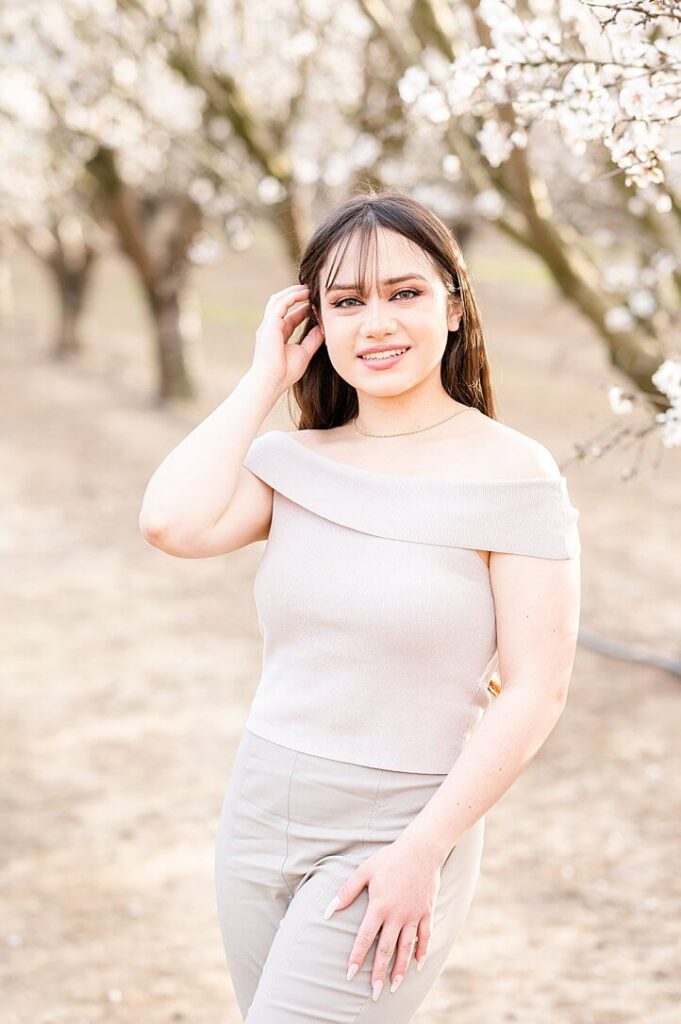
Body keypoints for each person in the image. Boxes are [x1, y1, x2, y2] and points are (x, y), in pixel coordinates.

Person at [139, 188, 582, 1022]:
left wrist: (423, 849)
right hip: (259, 805)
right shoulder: (292, 463)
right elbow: (170, 521)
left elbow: (535, 692)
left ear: (453, 308)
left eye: (403, 293)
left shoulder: (514, 473)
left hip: (399, 826)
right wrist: (264, 377)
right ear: (316, 324)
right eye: (347, 302)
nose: (376, 323)